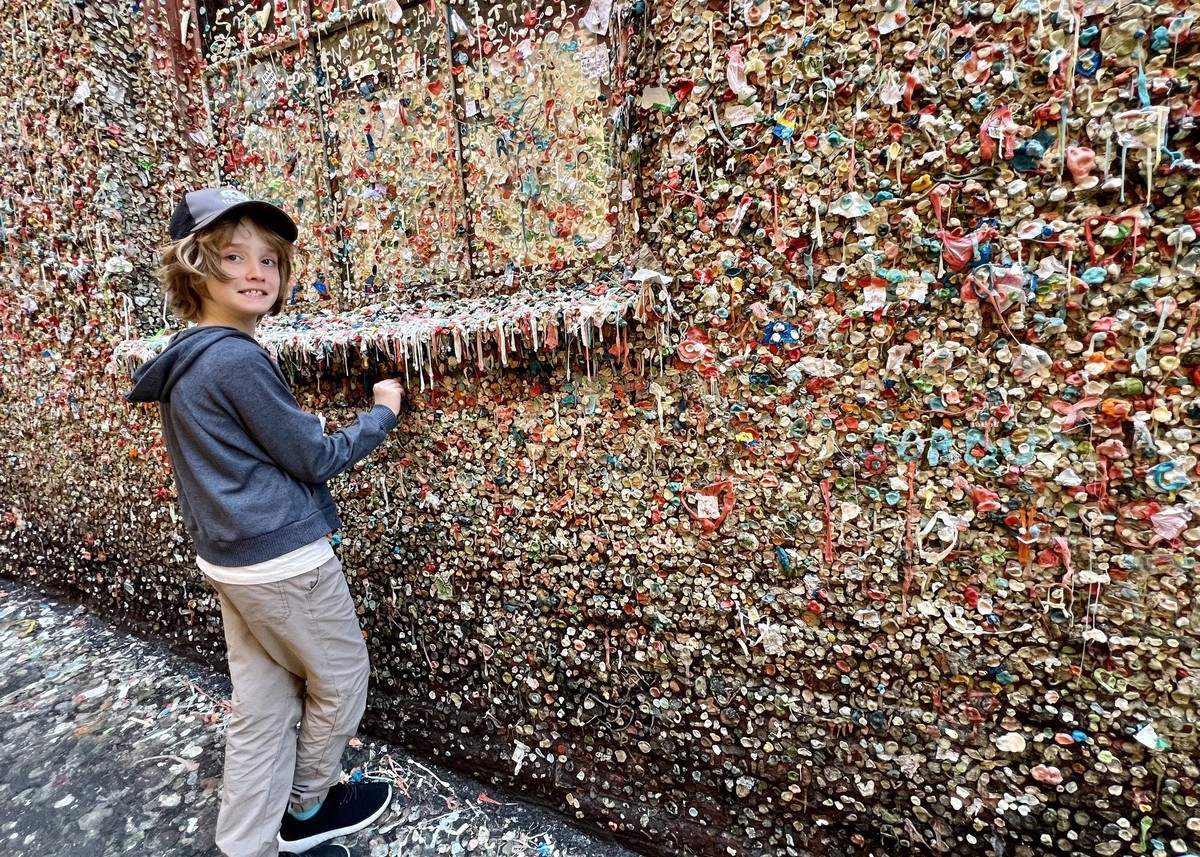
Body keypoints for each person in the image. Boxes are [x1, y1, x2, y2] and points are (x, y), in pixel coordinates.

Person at [127, 187, 404, 857]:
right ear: (195, 267)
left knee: (263, 704)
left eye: (269, 261)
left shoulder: (189, 356)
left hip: (230, 559)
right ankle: (306, 810)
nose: (257, 273)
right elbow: (312, 456)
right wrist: (384, 411)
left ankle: (244, 844)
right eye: (232, 256)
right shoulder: (236, 358)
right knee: (341, 680)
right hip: (284, 564)